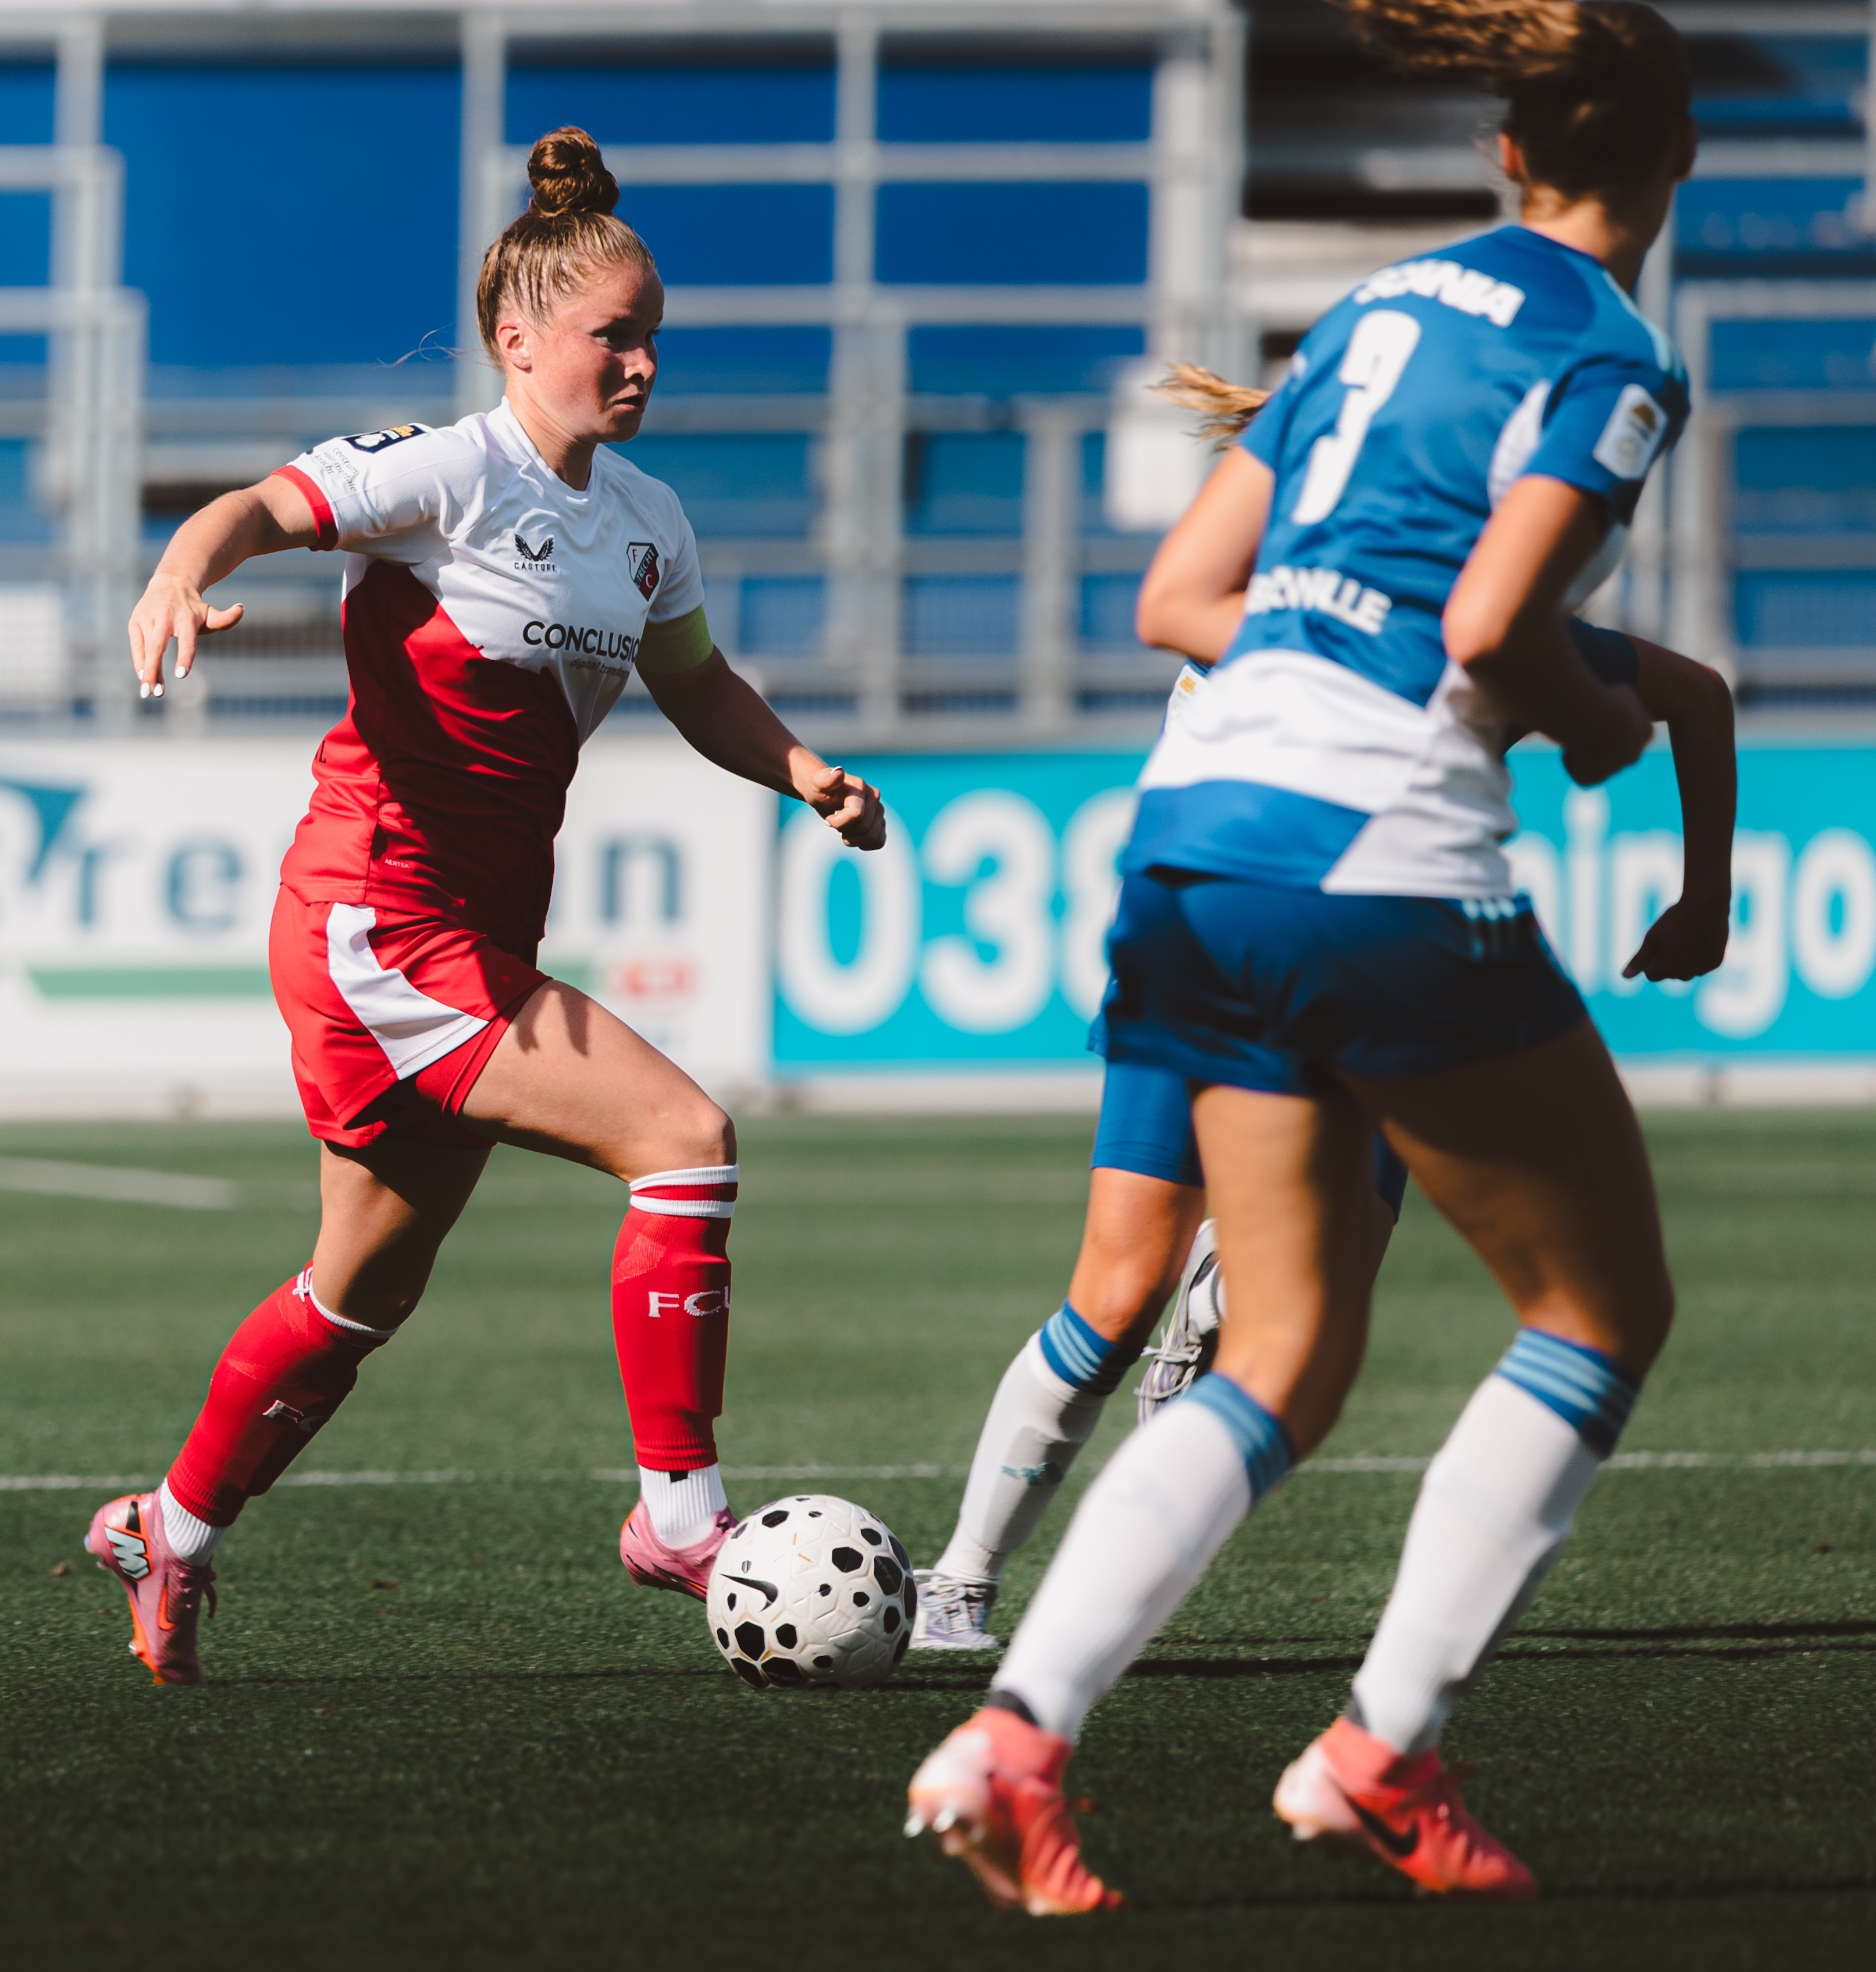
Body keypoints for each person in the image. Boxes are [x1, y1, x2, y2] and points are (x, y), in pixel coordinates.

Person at [906, 0, 1720, 1910]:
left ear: (1502, 154)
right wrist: (1589, 724)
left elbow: (1175, 595)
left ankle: (1010, 1743)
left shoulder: (1369, 313)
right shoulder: (1606, 355)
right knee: (1594, 1315)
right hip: (1374, 857)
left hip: (1190, 836)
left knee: (1267, 1352)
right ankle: (1372, 1753)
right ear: (1668, 160)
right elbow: (1494, 614)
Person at [87, 129, 887, 1685]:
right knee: (683, 1136)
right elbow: (254, 505)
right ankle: (678, 1509)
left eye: (652, 332)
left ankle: (164, 1532)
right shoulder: (448, 471)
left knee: (358, 1293)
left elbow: (691, 681)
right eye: (612, 333)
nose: (640, 359)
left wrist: (801, 770)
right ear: (516, 337)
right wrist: (180, 569)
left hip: (469, 929)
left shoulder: (647, 520)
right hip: (378, 917)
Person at [910, 362, 1736, 1656]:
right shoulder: (1347, 604)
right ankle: (960, 1583)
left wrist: (1706, 897)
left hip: (1322, 962)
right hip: (1238, 949)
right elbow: (1648, 707)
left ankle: (1019, 1626)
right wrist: (1611, 764)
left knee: (1296, 1328)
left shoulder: (1453, 608)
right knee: (1119, 1296)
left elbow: (1695, 696)